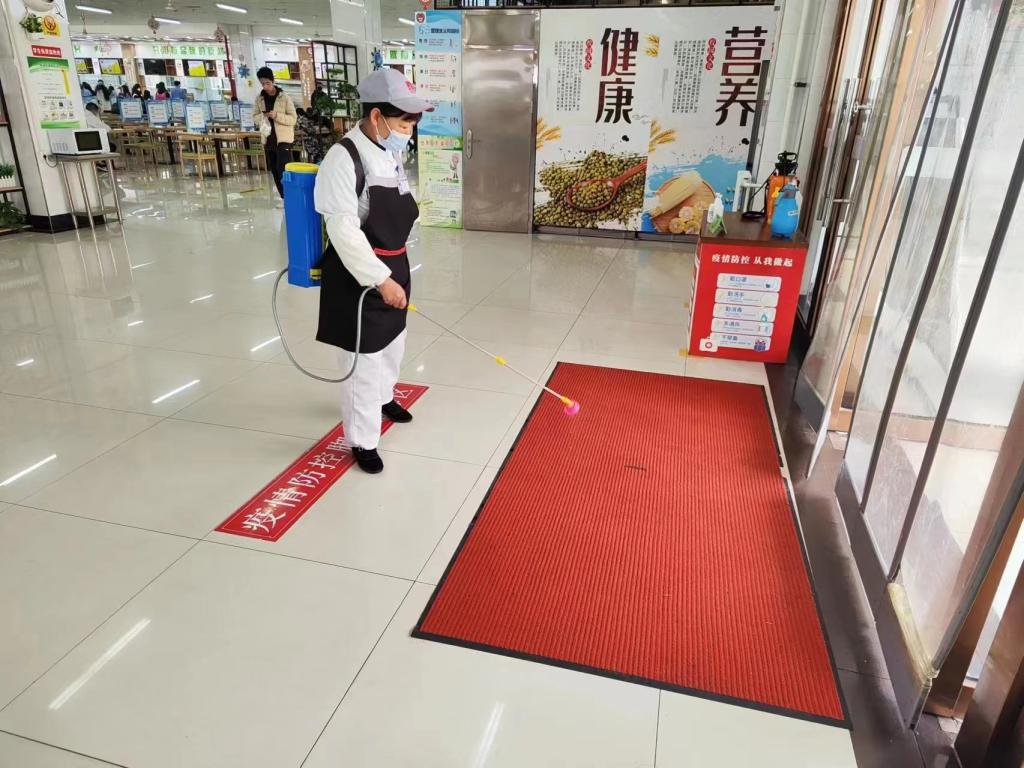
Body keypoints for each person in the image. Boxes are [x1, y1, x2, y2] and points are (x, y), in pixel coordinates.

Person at [313, 68, 431, 474]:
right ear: (377, 115)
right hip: (359, 275)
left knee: (392, 343)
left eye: (412, 125)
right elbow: (343, 230)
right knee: (363, 360)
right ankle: (362, 440)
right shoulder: (343, 158)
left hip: (394, 262)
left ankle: (383, 398)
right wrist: (380, 279)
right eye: (403, 124)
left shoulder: (389, 152)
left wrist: (395, 273)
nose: (408, 133)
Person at [253, 66, 297, 202]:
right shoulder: (259, 99)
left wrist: (276, 116)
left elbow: (293, 119)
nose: (265, 86)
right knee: (274, 170)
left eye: (268, 83)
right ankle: (284, 197)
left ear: (273, 81)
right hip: (268, 139)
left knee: (284, 169)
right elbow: (255, 116)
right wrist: (263, 117)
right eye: (262, 83)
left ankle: (291, 197)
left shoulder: (284, 98)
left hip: (283, 140)